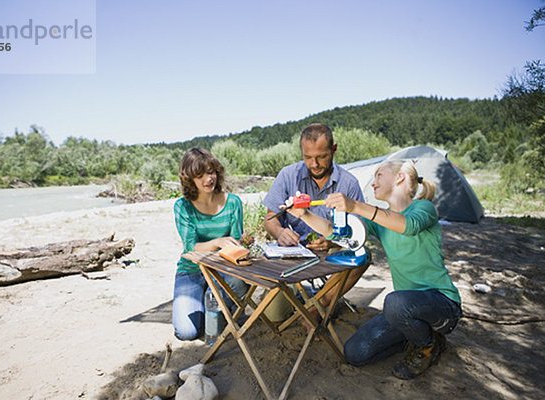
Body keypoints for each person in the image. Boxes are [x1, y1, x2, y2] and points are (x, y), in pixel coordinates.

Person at [283, 160, 462, 380]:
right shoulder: (380, 221)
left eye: (379, 175)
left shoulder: (423, 208)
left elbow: (409, 226)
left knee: (395, 302)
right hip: (404, 309)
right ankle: (414, 334)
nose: (373, 183)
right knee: (355, 353)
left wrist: (356, 206)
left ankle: (427, 345)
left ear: (400, 178)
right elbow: (339, 234)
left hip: (441, 304)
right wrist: (304, 215)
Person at [263, 123, 367, 294]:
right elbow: (269, 219)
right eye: (308, 157)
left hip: (333, 255)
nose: (314, 164)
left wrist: (332, 241)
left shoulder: (349, 184)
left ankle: (317, 307)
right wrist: (280, 233)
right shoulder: (288, 175)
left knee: (363, 257)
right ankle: (314, 304)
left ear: (334, 149)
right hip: (293, 254)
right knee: (274, 316)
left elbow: (359, 233)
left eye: (321, 156)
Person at [172, 147, 249, 341]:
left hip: (223, 269)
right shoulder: (183, 207)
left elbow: (236, 243)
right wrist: (218, 242)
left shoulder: (233, 202)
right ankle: (214, 305)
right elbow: (191, 247)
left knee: (215, 310)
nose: (209, 179)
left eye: (211, 171)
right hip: (191, 270)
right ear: (189, 179)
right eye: (200, 175)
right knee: (186, 332)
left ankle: (217, 305)